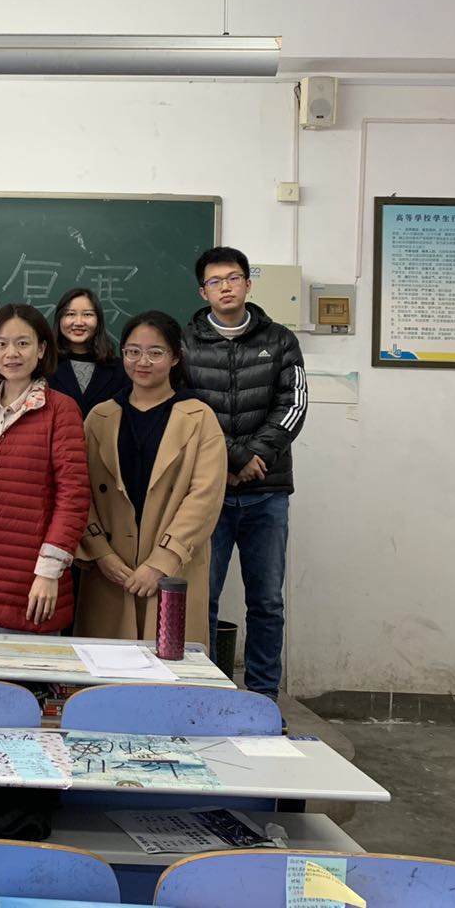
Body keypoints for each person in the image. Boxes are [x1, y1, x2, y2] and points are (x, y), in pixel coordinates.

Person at [183, 246, 307, 700]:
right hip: (207, 491)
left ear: (248, 284)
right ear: (203, 291)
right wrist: (233, 458)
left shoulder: (280, 339)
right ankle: (209, 693)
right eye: (215, 281)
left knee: (267, 601)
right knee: (203, 599)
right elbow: (183, 408)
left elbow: (293, 404)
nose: (226, 287)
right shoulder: (185, 342)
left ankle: (263, 697)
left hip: (266, 491)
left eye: (233, 278)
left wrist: (255, 456)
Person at [75, 311, 224, 645]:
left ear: (175, 357)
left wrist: (161, 562)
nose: (142, 361)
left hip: (173, 570)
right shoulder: (100, 417)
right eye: (133, 351)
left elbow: (205, 497)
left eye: (155, 352)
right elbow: (79, 491)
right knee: (106, 667)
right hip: (111, 570)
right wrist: (101, 553)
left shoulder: (199, 417)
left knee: (169, 664)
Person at [0, 304, 89, 634]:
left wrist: (49, 572)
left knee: (24, 663)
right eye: (1, 344)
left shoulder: (61, 410)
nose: (11, 353)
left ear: (41, 349)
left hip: (31, 575)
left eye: (23, 343)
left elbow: (74, 498)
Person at [48, 287, 130, 416]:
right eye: (70, 314)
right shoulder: (43, 366)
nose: (79, 322)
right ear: (59, 320)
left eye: (87, 314)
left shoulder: (121, 369)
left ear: (98, 320)